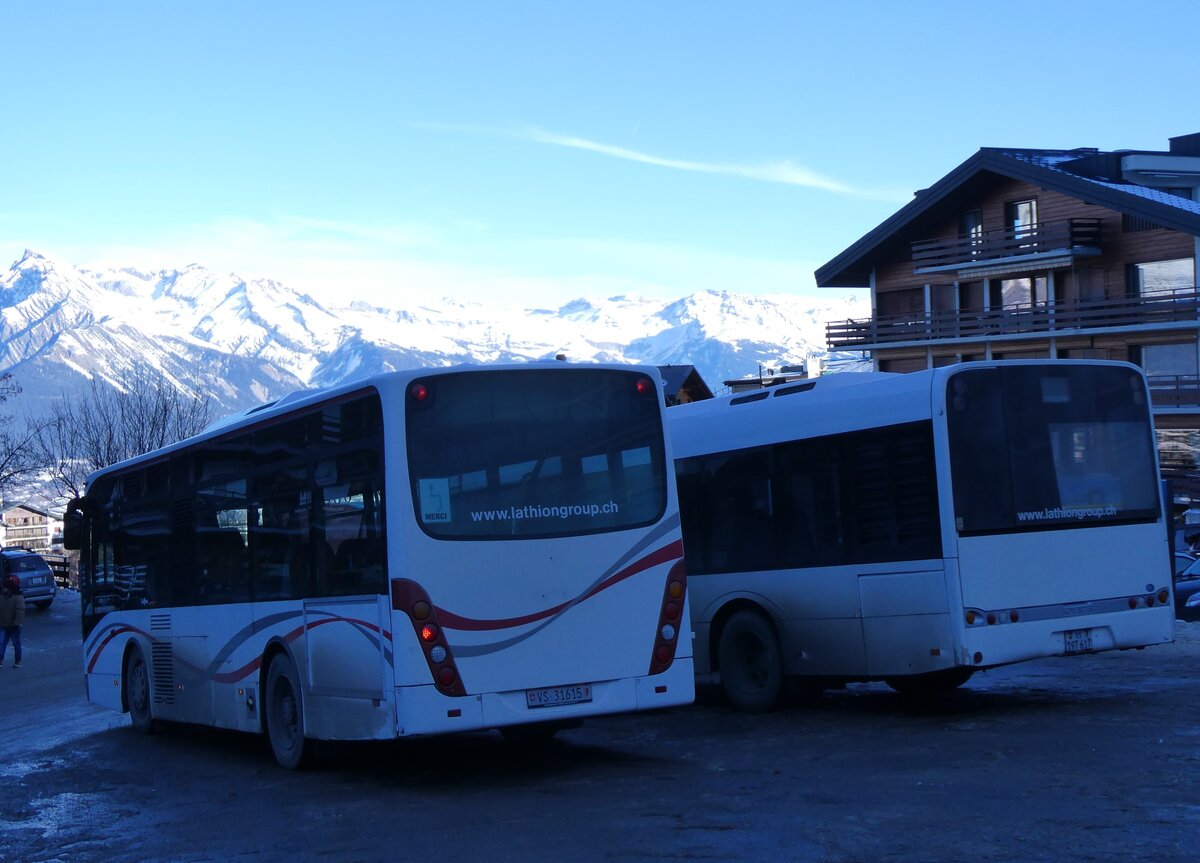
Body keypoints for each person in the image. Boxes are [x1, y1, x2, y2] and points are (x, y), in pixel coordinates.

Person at [0, 574, 25, 669]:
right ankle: (0, 660)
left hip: (14, 625)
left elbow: (20, 611)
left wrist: (17, 623)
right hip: (3, 624)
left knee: (15, 643)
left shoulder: (18, 597)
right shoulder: (2, 596)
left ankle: (17, 661)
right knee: (2, 643)